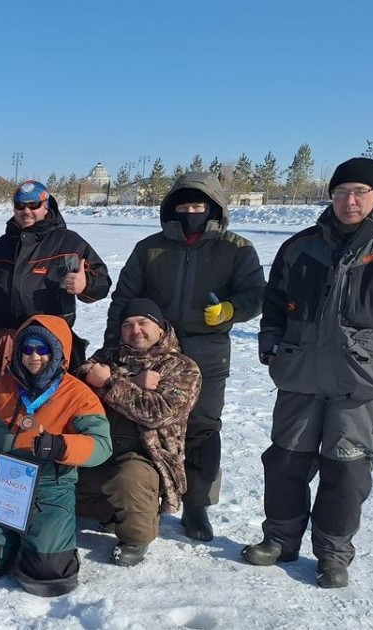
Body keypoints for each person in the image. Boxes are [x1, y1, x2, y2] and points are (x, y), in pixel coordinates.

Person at [242, 158, 373, 588]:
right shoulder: (300, 247)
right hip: (299, 376)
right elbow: (274, 304)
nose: (349, 201)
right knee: (285, 462)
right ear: (331, 196)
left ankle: (333, 555)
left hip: (361, 385)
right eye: (341, 192)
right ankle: (279, 538)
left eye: (359, 193)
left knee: (346, 471)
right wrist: (272, 348)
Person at [103, 172, 265, 542]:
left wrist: (230, 310)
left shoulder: (235, 248)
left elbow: (256, 294)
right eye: (184, 205)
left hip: (206, 350)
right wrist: (113, 344)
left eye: (199, 205)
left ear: (214, 208)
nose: (191, 212)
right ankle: (141, 494)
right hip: (150, 349)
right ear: (171, 209)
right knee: (139, 418)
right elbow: (124, 298)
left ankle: (196, 504)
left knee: (202, 426)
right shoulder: (150, 248)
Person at [0, 315, 110, 597]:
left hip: (50, 489)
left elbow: (101, 445)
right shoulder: (1, 389)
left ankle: (42, 541)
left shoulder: (78, 395)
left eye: (43, 349)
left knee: (47, 572)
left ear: (58, 352)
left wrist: (61, 446)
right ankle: (11, 541)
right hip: (2, 487)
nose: (34, 356)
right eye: (27, 348)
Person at [74, 299, 202, 566]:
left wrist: (109, 382)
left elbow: (158, 411)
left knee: (129, 479)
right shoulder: (107, 355)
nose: (136, 330)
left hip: (144, 457)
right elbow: (78, 382)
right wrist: (132, 382)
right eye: (128, 325)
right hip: (100, 446)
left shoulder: (181, 366)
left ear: (160, 327)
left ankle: (136, 537)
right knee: (60, 476)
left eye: (143, 322)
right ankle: (111, 513)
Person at [0, 181, 110, 381]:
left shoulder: (69, 242)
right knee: (4, 402)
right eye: (20, 206)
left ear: (46, 206)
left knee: (50, 404)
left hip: (49, 341)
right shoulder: (3, 245)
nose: (26, 211)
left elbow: (102, 282)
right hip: (8, 342)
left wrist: (86, 286)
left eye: (33, 206)